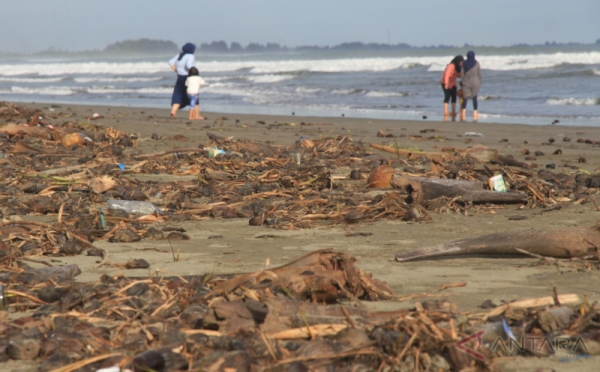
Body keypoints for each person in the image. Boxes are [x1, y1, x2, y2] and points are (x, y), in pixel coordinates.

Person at [168, 43, 196, 119]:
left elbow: (170, 62)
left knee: (178, 94)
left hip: (179, 77)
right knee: (192, 95)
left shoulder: (180, 55)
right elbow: (189, 65)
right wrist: (193, 72)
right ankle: (194, 115)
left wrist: (176, 70)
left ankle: (173, 111)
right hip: (187, 77)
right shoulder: (190, 56)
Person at [460, 51, 482, 122]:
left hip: (466, 82)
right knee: (474, 97)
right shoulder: (477, 63)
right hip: (475, 82)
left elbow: (462, 74)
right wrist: (479, 82)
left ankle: (463, 113)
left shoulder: (464, 63)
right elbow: (479, 74)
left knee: (465, 97)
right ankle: (475, 113)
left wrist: (462, 82)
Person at [440, 55, 464, 120]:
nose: (461, 63)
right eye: (461, 62)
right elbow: (447, 74)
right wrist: (446, 84)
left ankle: (453, 111)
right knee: (447, 96)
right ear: (458, 61)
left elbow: (458, 75)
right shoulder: (451, 65)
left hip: (453, 83)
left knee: (454, 97)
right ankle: (445, 111)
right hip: (445, 82)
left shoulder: (458, 67)